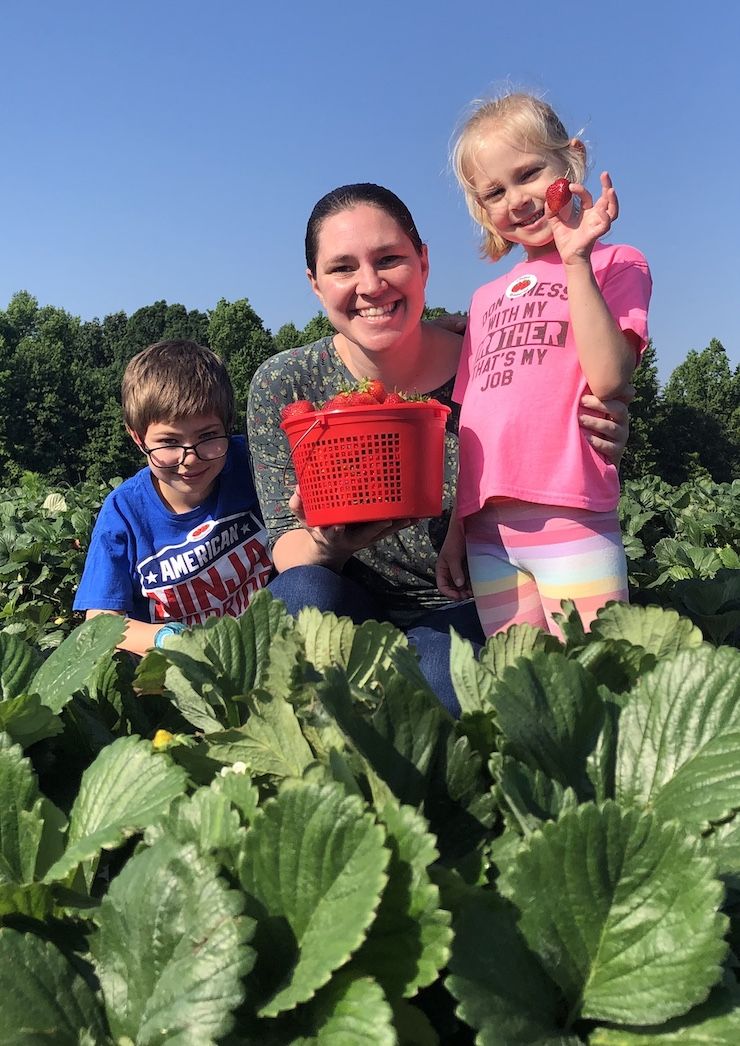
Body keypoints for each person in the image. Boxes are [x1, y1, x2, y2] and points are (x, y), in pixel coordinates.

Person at [247, 183, 631, 714]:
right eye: (342, 268)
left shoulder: (496, 358)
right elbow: (287, 547)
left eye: (389, 259)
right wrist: (331, 543)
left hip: (465, 601)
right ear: (314, 284)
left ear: (423, 262)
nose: (370, 284)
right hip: (346, 598)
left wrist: (604, 423)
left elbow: (574, 395)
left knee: (437, 680)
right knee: (296, 604)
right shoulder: (286, 384)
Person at [437, 92, 652, 638]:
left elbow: (610, 378)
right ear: (482, 209)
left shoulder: (615, 263)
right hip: (488, 535)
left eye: (529, 172)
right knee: (520, 695)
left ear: (571, 159)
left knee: (597, 683)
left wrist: (576, 256)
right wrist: (457, 532)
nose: (517, 198)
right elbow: (473, 422)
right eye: (494, 191)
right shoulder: (485, 299)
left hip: (571, 513)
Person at [74, 340, 272, 654]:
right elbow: (100, 621)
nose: (190, 458)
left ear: (228, 424)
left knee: (312, 584)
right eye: (169, 441)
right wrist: (166, 639)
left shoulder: (252, 463)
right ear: (138, 438)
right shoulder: (124, 511)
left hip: (263, 644)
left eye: (207, 436)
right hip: (175, 668)